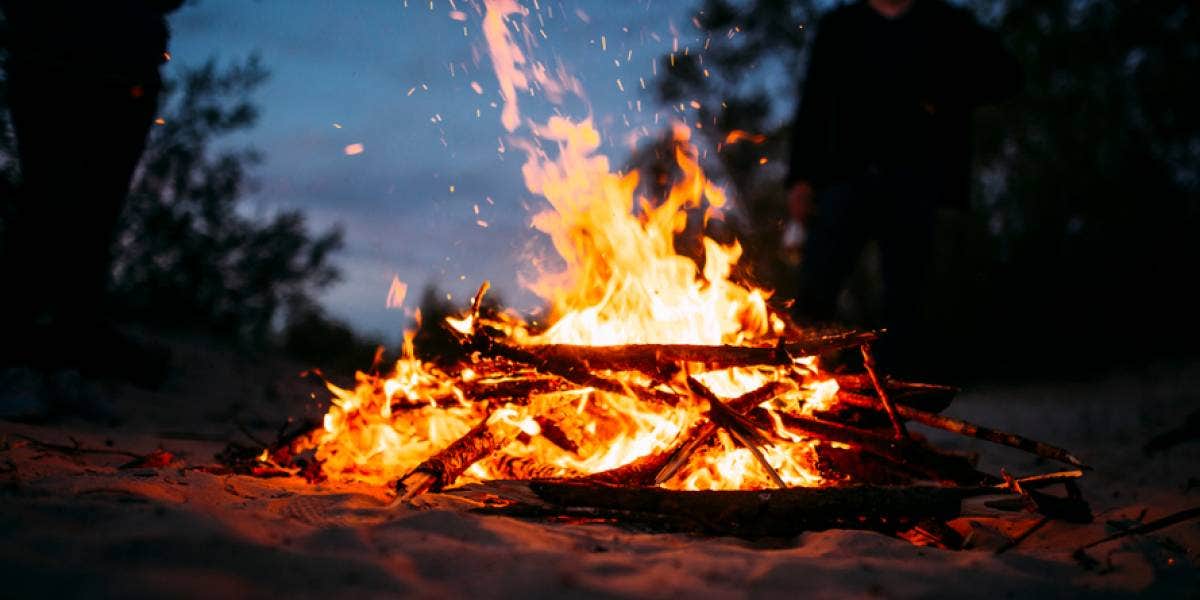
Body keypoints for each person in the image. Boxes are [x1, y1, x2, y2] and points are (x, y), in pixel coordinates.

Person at [786, 0, 1019, 372]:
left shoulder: (944, 22)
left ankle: (895, 401)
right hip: (845, 177)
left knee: (908, 298)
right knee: (818, 286)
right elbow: (814, 104)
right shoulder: (841, 26)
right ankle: (794, 378)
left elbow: (1005, 75)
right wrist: (800, 179)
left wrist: (944, 95)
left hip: (917, 180)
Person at [0, 1, 182, 381]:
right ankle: (23, 347)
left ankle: (74, 335)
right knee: (49, 202)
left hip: (122, 64)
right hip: (59, 56)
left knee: (94, 215)